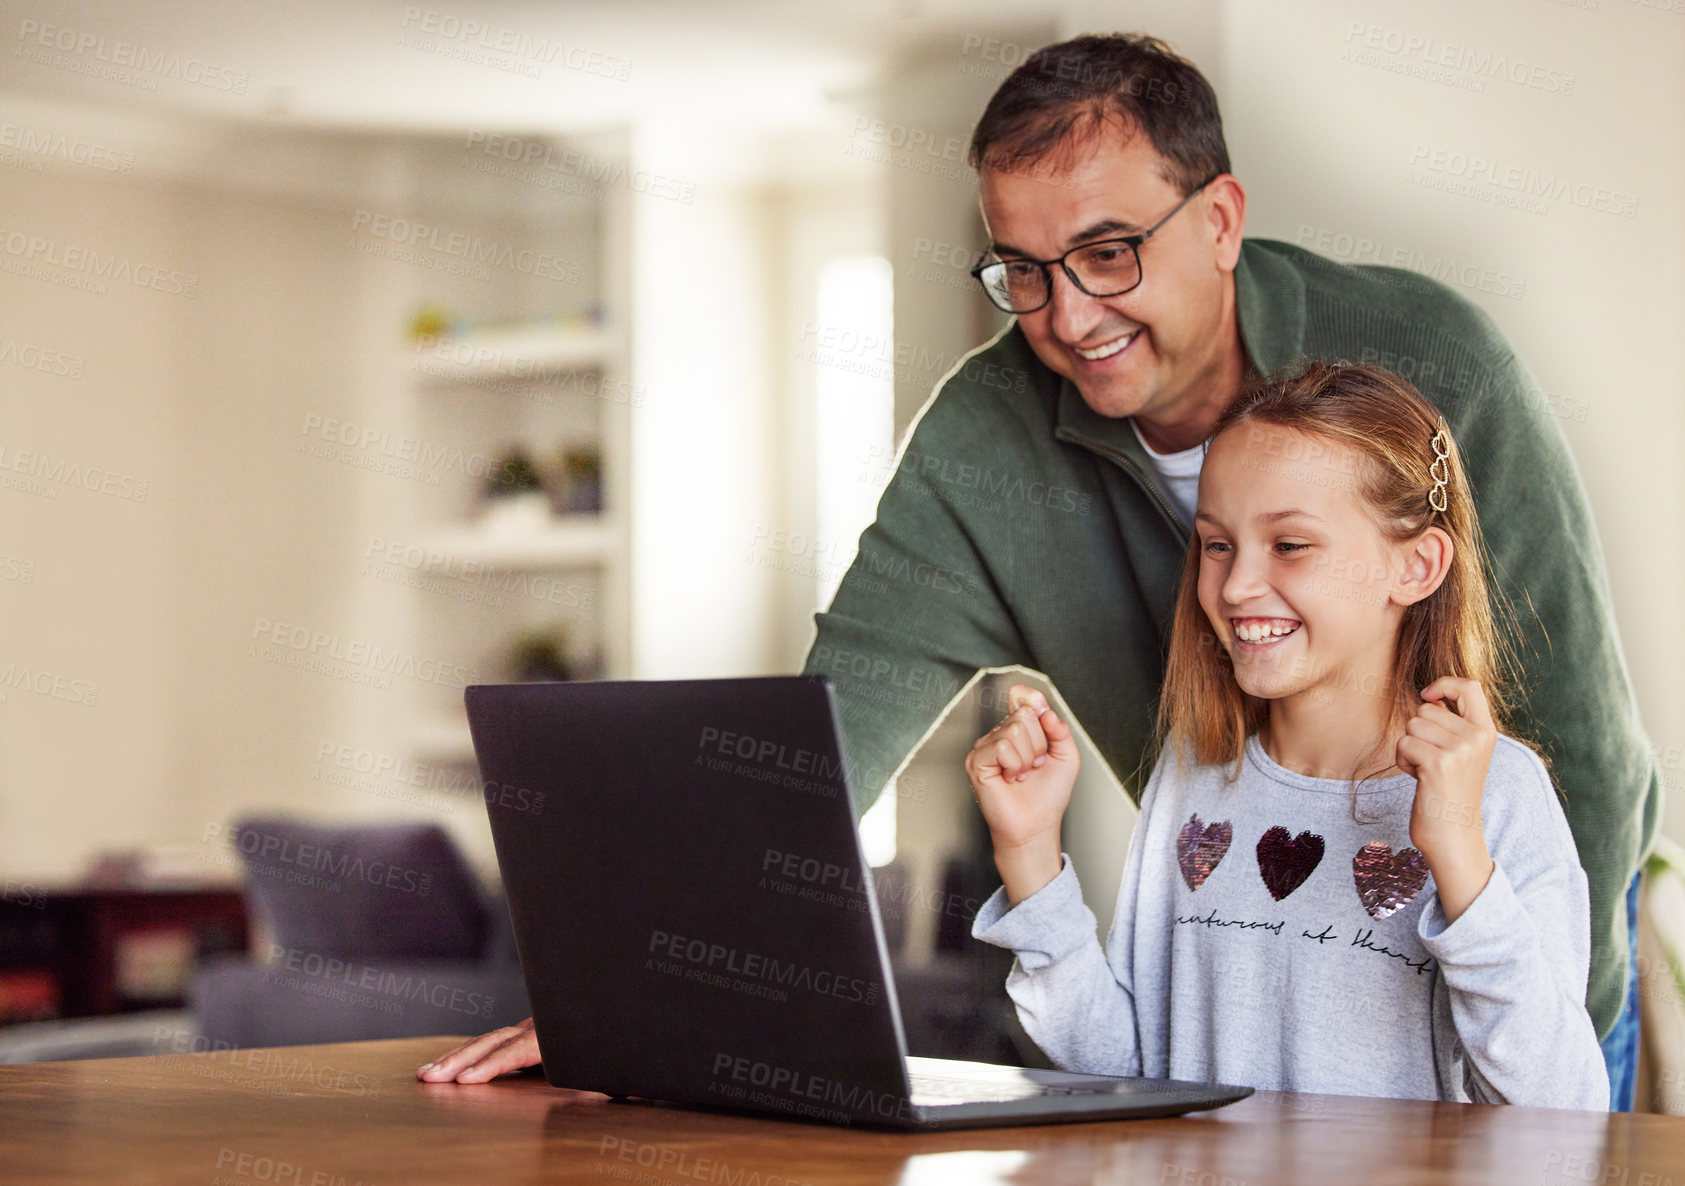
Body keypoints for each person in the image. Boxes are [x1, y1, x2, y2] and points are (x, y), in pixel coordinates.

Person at [418, 33, 1658, 1103]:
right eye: (1022, 269)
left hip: (1510, 1008)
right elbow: (815, 746)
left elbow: (1584, 752)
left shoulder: (1429, 356)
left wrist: (1530, 1017)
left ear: (1218, 220)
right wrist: (635, 996)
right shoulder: (983, 446)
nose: (1066, 316)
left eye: (1109, 250)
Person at [965, 361, 1608, 1107]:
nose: (1235, 586)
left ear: (1416, 565)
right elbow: (1126, 1069)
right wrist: (1028, 852)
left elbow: (1562, 1110)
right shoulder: (1196, 772)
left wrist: (1458, 852)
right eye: (1215, 544)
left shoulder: (1497, 792)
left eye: (1290, 545)